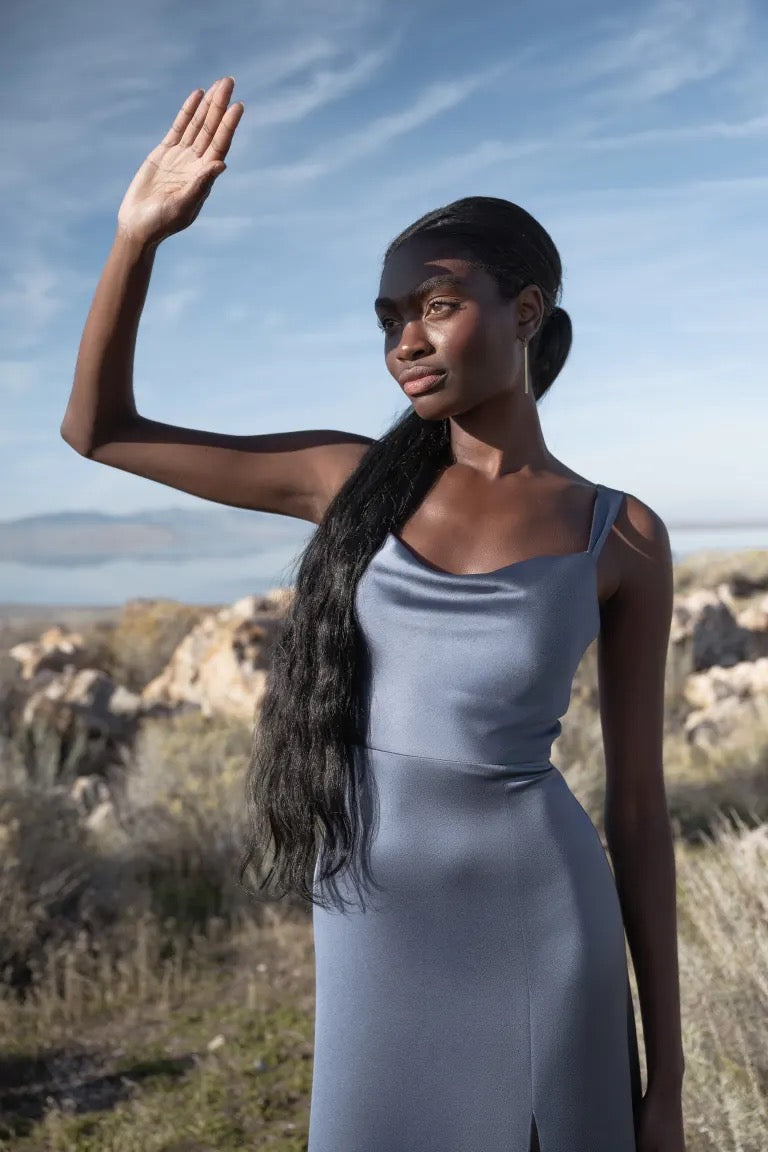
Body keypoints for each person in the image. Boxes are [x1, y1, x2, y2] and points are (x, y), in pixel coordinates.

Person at [62, 77, 686, 1152]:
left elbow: (638, 809)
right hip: (373, 920)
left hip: (548, 923)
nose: (406, 337)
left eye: (435, 306)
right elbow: (100, 430)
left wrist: (665, 1080)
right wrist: (138, 239)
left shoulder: (620, 533)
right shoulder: (347, 481)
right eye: (391, 318)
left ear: (525, 312)